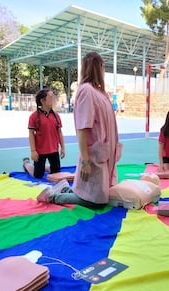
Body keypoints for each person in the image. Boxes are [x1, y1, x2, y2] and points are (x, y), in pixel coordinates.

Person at [37, 51, 121, 209]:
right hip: (94, 156)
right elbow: (83, 128)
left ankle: (64, 189)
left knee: (97, 194)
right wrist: (85, 161)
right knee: (95, 201)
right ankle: (54, 196)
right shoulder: (86, 91)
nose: (103, 72)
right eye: (102, 67)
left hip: (103, 155)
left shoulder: (100, 93)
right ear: (98, 67)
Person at [23, 88, 65, 178]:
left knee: (56, 174)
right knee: (37, 175)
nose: (53, 99)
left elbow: (60, 132)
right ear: (42, 100)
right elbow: (31, 134)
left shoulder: (56, 116)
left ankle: (44, 167)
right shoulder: (34, 117)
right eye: (50, 97)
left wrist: (63, 148)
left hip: (54, 150)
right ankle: (26, 164)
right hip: (40, 151)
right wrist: (33, 151)